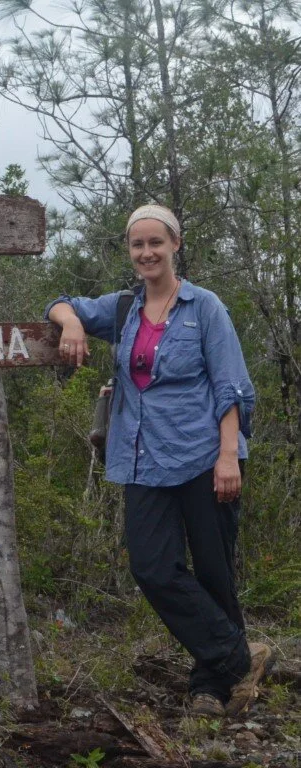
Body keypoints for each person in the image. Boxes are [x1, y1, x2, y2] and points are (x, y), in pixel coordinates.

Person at [46, 204, 270, 717]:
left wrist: (229, 455)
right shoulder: (122, 308)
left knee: (214, 572)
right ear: (130, 250)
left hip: (203, 456)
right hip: (141, 460)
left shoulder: (204, 307)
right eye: (137, 244)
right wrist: (72, 325)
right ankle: (239, 658)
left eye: (155, 243)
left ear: (175, 245)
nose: (146, 253)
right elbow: (60, 303)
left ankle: (210, 687)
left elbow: (230, 385)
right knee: (152, 567)